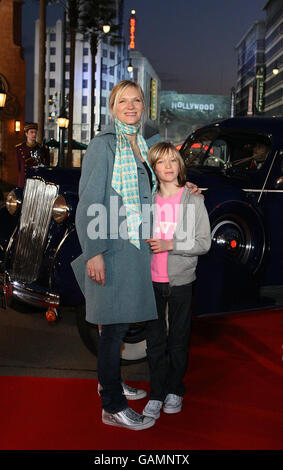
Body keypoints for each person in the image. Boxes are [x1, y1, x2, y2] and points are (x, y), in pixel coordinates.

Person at [71, 80, 200, 431]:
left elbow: (156, 183)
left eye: (136, 100)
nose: (130, 106)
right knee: (113, 329)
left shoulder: (141, 144)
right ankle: (111, 405)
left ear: (144, 106)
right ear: (112, 107)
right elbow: (89, 202)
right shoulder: (105, 145)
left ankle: (107, 381)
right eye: (122, 101)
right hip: (111, 246)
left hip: (133, 248)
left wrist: (183, 187)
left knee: (118, 324)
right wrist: (94, 252)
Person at [142, 142, 211, 420]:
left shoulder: (193, 198)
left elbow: (204, 243)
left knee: (179, 339)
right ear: (154, 168)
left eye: (173, 160)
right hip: (150, 280)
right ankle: (156, 393)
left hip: (181, 279)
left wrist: (171, 244)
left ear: (180, 165)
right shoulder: (147, 199)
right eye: (161, 162)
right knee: (155, 340)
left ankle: (175, 390)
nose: (168, 166)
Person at [15, 123, 50, 187]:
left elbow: (47, 165)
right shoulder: (19, 148)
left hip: (38, 181)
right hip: (24, 181)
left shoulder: (43, 148)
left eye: (35, 132)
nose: (34, 134)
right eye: (31, 132)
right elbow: (18, 167)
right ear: (26, 134)